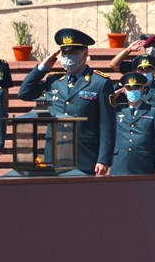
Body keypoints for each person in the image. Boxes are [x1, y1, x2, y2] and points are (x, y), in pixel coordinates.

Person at [18, 28, 115, 176]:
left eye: (73, 52)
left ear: (85, 53)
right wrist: (42, 68)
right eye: (65, 53)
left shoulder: (100, 82)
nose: (68, 57)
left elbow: (107, 125)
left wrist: (104, 159)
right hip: (55, 157)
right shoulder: (54, 81)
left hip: (85, 157)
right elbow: (24, 93)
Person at [109, 72, 155, 175]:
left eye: (137, 87)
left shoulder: (153, 111)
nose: (133, 90)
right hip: (120, 162)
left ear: (143, 89)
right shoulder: (117, 110)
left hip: (143, 164)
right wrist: (111, 98)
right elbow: (98, 116)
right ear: (124, 90)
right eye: (129, 88)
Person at [108, 34, 155, 116]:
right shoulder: (137, 64)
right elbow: (114, 65)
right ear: (145, 48)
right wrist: (129, 49)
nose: (152, 48)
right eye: (149, 46)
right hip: (139, 106)